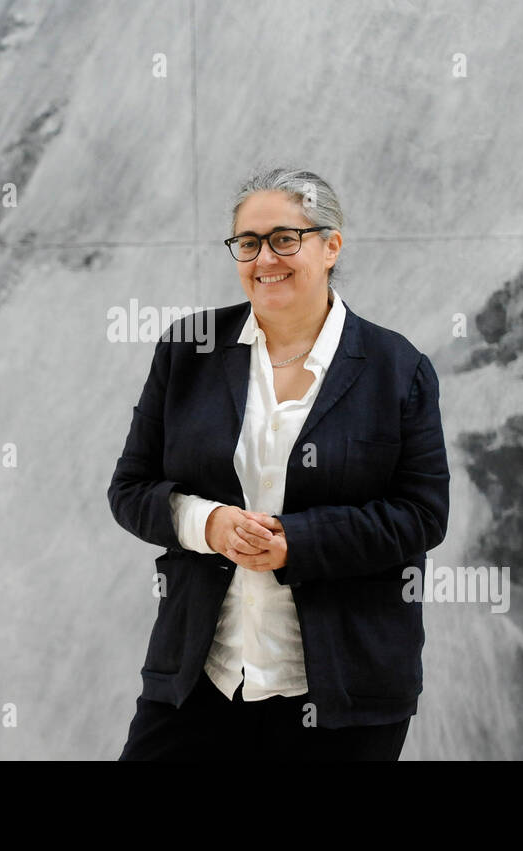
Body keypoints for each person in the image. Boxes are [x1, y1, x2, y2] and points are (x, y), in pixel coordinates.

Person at [107, 167, 451, 760]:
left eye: (285, 238)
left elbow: (421, 515)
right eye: (248, 243)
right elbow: (131, 489)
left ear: (330, 245)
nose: (265, 258)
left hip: (344, 692)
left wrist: (298, 542)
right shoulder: (187, 350)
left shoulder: (398, 369)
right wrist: (206, 524)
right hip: (200, 677)